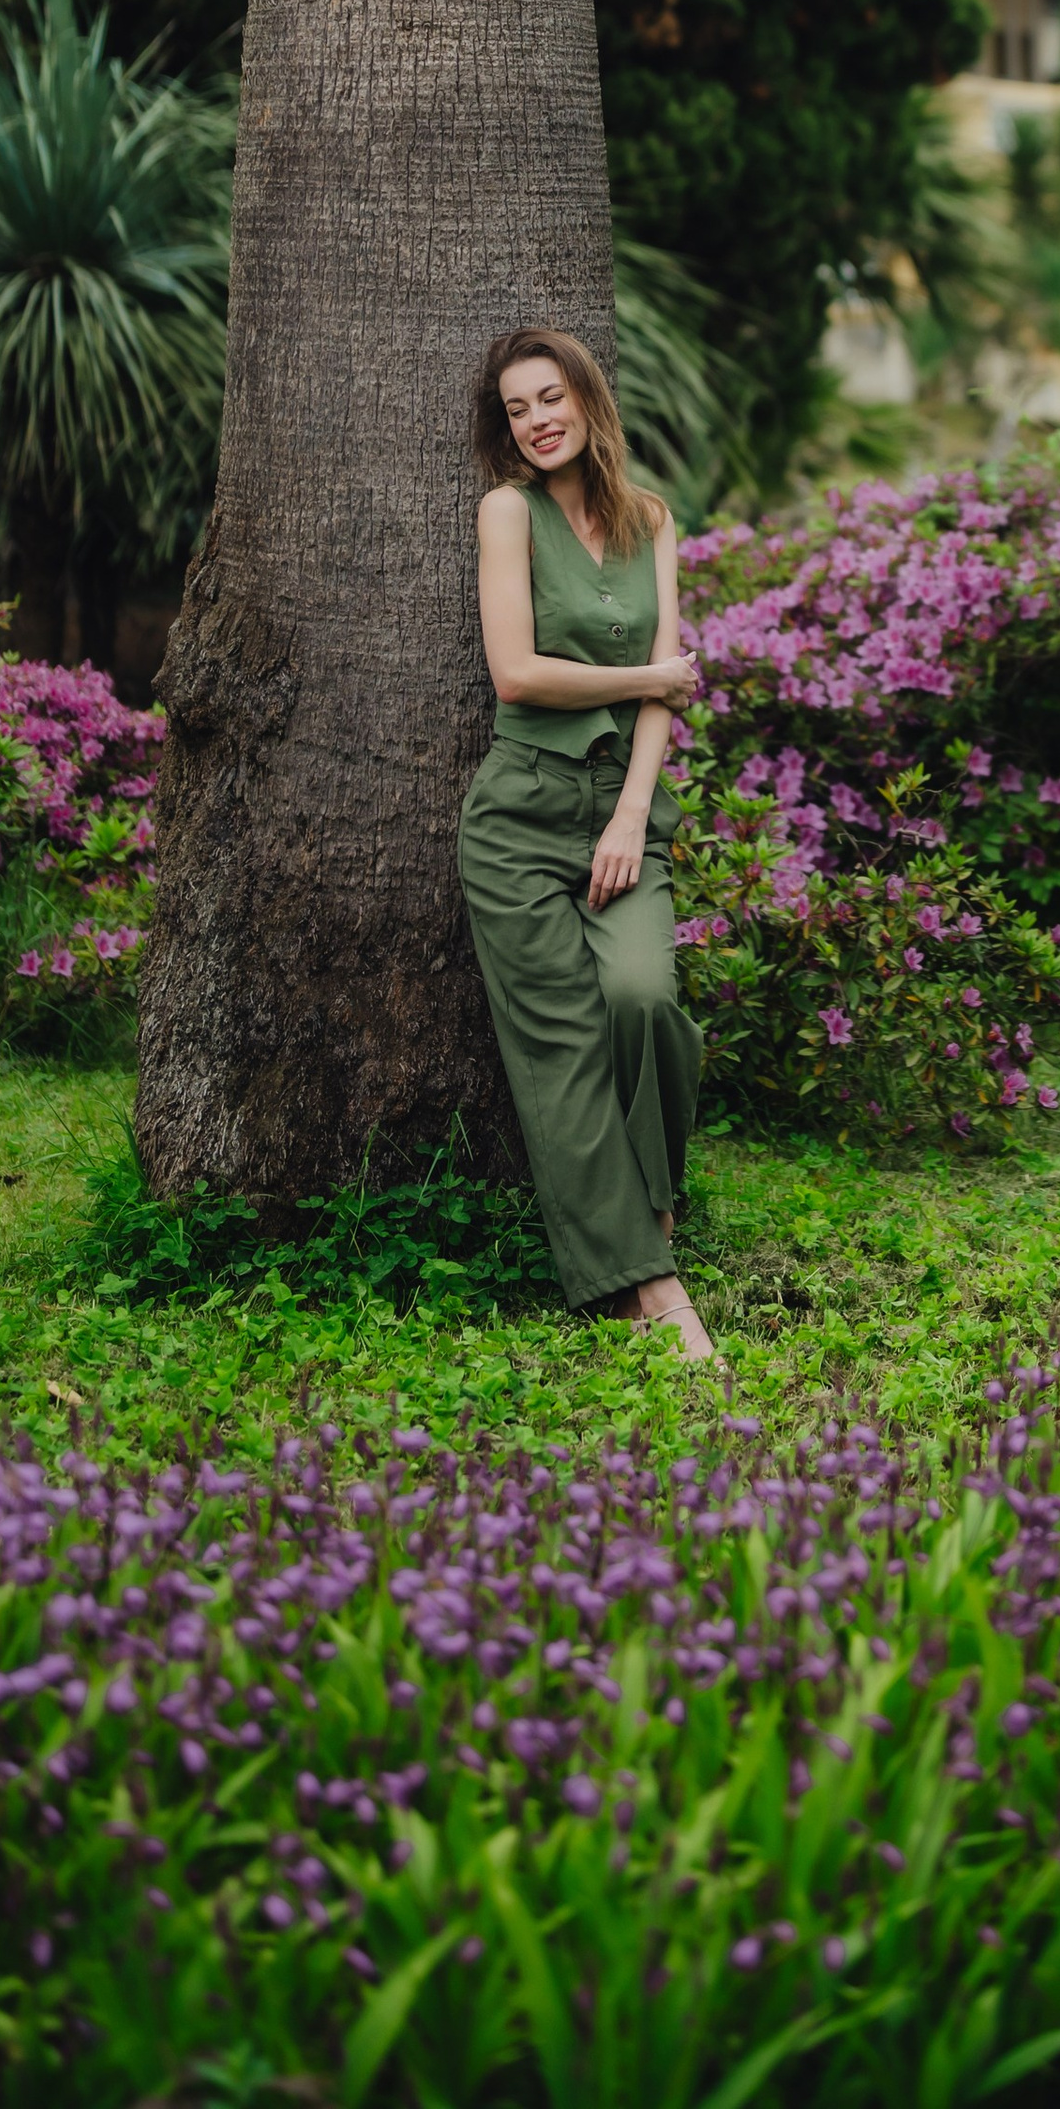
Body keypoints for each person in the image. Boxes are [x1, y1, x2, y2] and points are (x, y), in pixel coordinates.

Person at [458, 325, 714, 1355]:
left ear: (588, 400)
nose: (537, 420)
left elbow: (666, 698)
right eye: (518, 408)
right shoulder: (506, 515)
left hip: (623, 809)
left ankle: (642, 1222)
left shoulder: (653, 520)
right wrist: (651, 679)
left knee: (645, 997)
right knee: (560, 1050)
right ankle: (656, 1289)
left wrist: (626, 816)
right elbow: (517, 674)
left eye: (551, 397)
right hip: (518, 812)